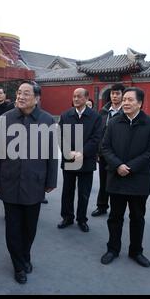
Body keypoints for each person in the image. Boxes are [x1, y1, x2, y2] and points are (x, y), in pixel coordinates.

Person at [0, 81, 58, 284]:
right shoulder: (5, 119)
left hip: (34, 182)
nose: (20, 97)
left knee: (30, 227)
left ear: (36, 99)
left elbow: (52, 153)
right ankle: (18, 265)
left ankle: (25, 254)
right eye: (19, 93)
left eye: (26, 94)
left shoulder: (46, 120)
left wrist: (51, 179)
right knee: (13, 227)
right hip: (9, 181)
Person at [100, 87, 150, 268]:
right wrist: (118, 165)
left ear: (140, 103)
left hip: (138, 179)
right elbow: (105, 147)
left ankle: (136, 251)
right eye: (124, 99)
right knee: (115, 217)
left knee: (137, 217)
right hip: (116, 177)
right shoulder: (114, 122)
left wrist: (130, 167)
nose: (125, 102)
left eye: (129, 100)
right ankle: (113, 249)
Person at [57, 88, 101, 233]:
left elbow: (96, 138)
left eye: (79, 96)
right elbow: (60, 136)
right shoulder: (66, 115)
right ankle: (67, 217)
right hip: (69, 159)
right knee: (67, 191)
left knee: (84, 192)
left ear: (86, 98)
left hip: (86, 160)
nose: (76, 99)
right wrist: (68, 152)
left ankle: (82, 219)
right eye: (74, 96)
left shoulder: (95, 117)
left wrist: (82, 152)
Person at [92, 83, 125, 217]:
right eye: (112, 93)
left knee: (118, 182)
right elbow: (99, 133)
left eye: (117, 93)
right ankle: (102, 206)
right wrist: (98, 152)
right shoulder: (103, 112)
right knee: (104, 180)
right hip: (104, 153)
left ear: (123, 95)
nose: (114, 96)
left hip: (120, 154)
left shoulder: (125, 112)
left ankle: (117, 209)